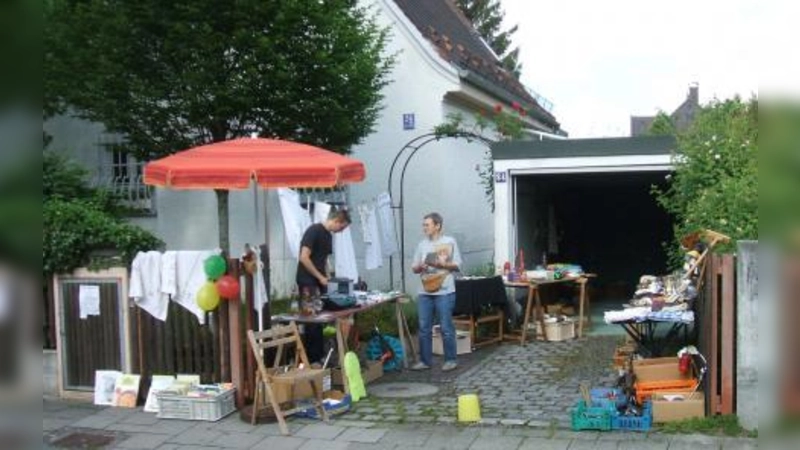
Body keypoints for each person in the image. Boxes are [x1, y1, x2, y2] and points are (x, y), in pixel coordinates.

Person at [296, 208, 351, 363]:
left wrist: (329, 277)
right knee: (312, 320)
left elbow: (324, 260)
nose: (341, 231)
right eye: (342, 227)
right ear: (337, 221)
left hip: (319, 281)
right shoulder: (313, 231)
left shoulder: (328, 236)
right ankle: (312, 359)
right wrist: (320, 277)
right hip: (307, 281)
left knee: (321, 318)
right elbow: (304, 257)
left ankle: (321, 356)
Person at [410, 212, 462, 372]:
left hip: (444, 291)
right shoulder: (421, 245)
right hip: (425, 291)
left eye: (427, 225)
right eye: (423, 225)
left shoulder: (449, 242)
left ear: (437, 226)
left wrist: (441, 264)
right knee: (424, 327)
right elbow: (414, 268)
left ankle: (451, 360)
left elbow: (457, 265)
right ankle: (425, 361)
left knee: (446, 327)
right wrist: (420, 267)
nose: (424, 227)